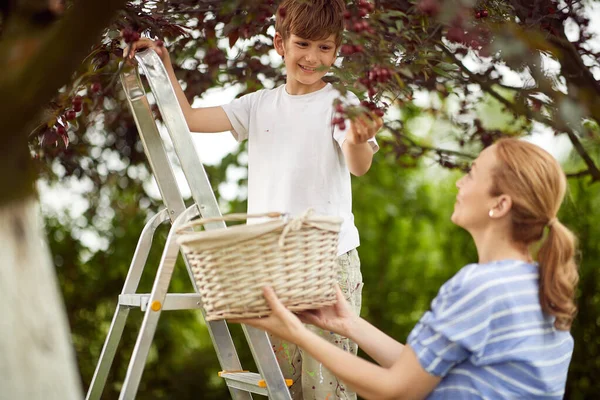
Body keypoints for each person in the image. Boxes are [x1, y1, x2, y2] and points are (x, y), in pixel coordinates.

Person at [126, 1, 381, 398]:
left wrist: (357, 140)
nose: (313, 57)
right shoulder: (258, 104)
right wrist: (164, 66)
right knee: (283, 386)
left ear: (336, 50)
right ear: (281, 43)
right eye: (303, 44)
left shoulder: (338, 104)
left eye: (325, 48)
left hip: (326, 264)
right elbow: (190, 119)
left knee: (326, 386)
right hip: (269, 264)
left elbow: (358, 164)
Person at [235, 138, 579, 400]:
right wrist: (347, 324)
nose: (460, 183)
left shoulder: (481, 287)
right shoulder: (534, 285)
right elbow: (418, 368)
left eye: (472, 174)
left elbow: (396, 390)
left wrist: (295, 331)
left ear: (500, 204)